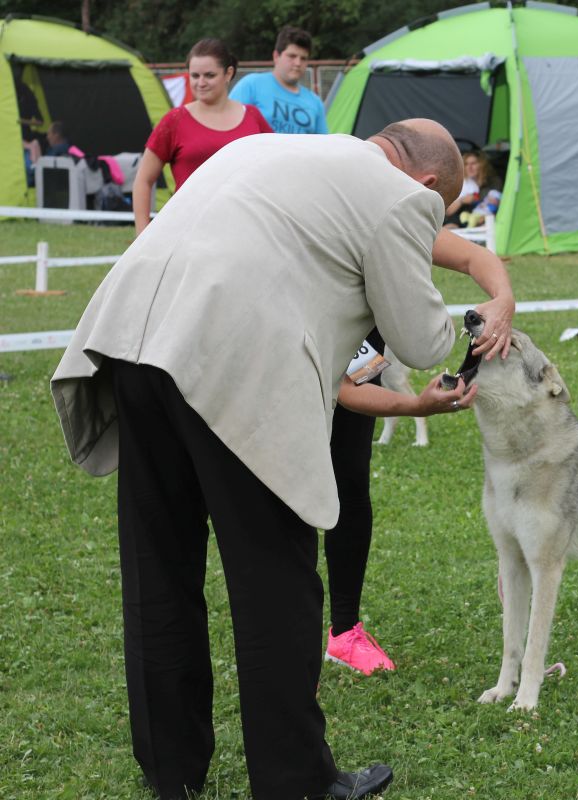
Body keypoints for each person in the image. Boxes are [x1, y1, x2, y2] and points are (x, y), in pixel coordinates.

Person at [50, 119, 475, 800]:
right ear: (429, 184)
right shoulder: (402, 195)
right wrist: (466, 320)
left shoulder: (267, 146)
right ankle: (297, 783)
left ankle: (172, 771)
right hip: (226, 355)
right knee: (277, 580)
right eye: (439, 213)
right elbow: (422, 341)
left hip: (129, 341)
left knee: (159, 567)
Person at [323, 229, 514, 677]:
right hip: (292, 360)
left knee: (351, 487)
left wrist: (502, 298)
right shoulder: (358, 220)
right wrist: (416, 406)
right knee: (283, 505)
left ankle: (344, 632)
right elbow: (346, 391)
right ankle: (280, 639)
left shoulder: (403, 220)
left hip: (355, 359)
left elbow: (473, 256)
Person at [132, 38, 273, 235]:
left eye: (209, 75)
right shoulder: (174, 120)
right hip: (187, 234)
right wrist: (142, 233)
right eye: (195, 75)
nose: (201, 83)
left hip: (246, 231)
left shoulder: (253, 117)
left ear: (228, 73)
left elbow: (275, 171)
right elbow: (143, 180)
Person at [230, 26, 328, 135]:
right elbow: (228, 125)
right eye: (292, 56)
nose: (298, 63)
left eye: (303, 58)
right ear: (276, 56)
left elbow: (323, 146)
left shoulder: (315, 102)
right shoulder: (251, 85)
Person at [443, 151, 498, 227]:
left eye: (473, 163)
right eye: (466, 164)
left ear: (482, 165)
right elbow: (448, 212)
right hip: (459, 218)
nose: (469, 167)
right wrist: (461, 201)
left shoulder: (493, 183)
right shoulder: (461, 183)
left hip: (482, 219)